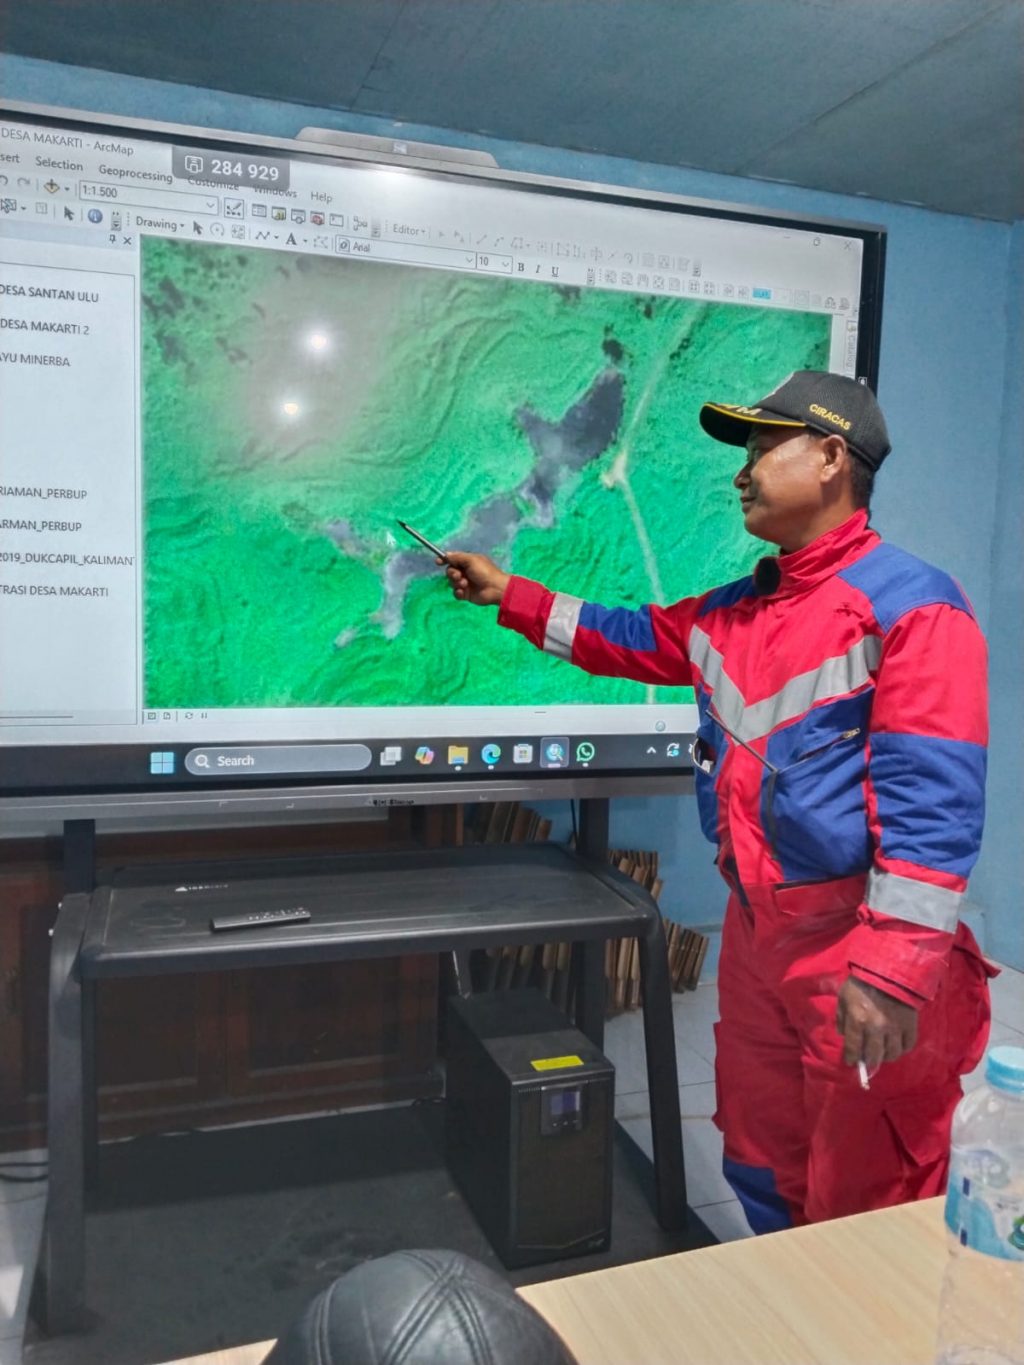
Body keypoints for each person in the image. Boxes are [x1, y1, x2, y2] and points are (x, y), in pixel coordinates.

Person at [442, 369, 995, 1231]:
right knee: (761, 1153)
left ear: (831, 457)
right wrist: (506, 592)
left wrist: (890, 974)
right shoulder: (735, 612)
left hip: (854, 943)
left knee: (867, 1187)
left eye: (763, 448)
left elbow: (934, 814)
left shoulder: (916, 609)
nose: (742, 472)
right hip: (757, 935)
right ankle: (779, 1293)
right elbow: (624, 637)